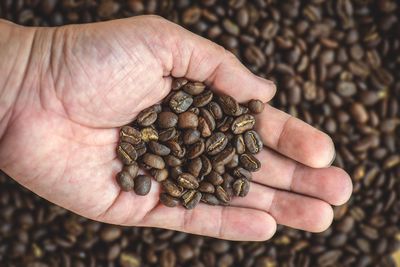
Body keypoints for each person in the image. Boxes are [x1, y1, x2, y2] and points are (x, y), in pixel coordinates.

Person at [0, 16, 352, 241]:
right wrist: (30, 72)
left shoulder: (195, 141)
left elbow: (193, 148)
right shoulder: (166, 137)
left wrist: (27, 73)